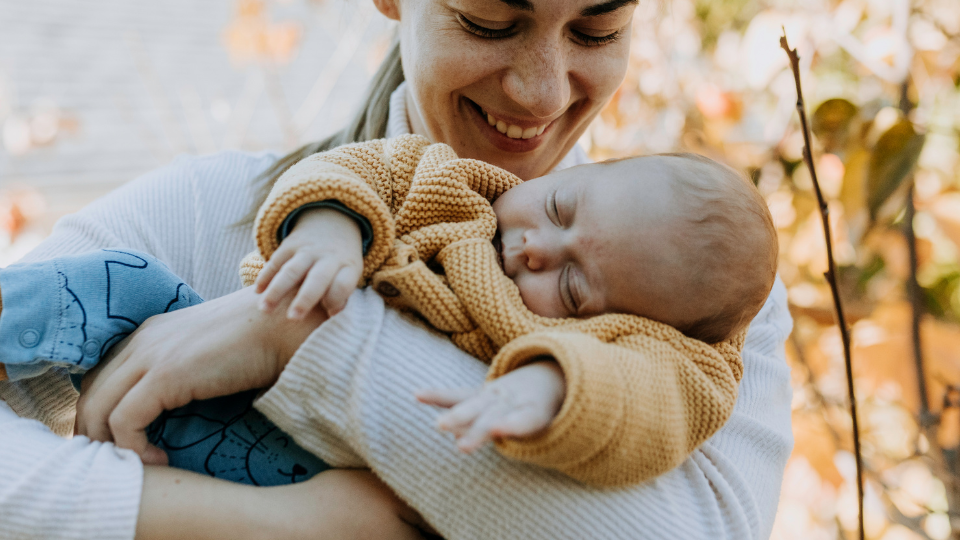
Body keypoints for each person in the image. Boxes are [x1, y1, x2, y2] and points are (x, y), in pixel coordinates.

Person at [0, 0, 794, 537]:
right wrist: (304, 527)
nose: (542, 90)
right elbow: (353, 186)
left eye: (597, 31)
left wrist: (302, 342)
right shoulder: (209, 212)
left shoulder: (700, 292)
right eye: (489, 20)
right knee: (111, 287)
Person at [0, 134, 776, 489]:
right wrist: (334, 230)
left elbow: (645, 402)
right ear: (590, 171)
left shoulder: (663, 353)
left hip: (294, 471)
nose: (539, 248)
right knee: (116, 281)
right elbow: (360, 169)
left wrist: (549, 387)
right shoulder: (460, 185)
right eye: (564, 207)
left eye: (573, 287)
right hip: (211, 379)